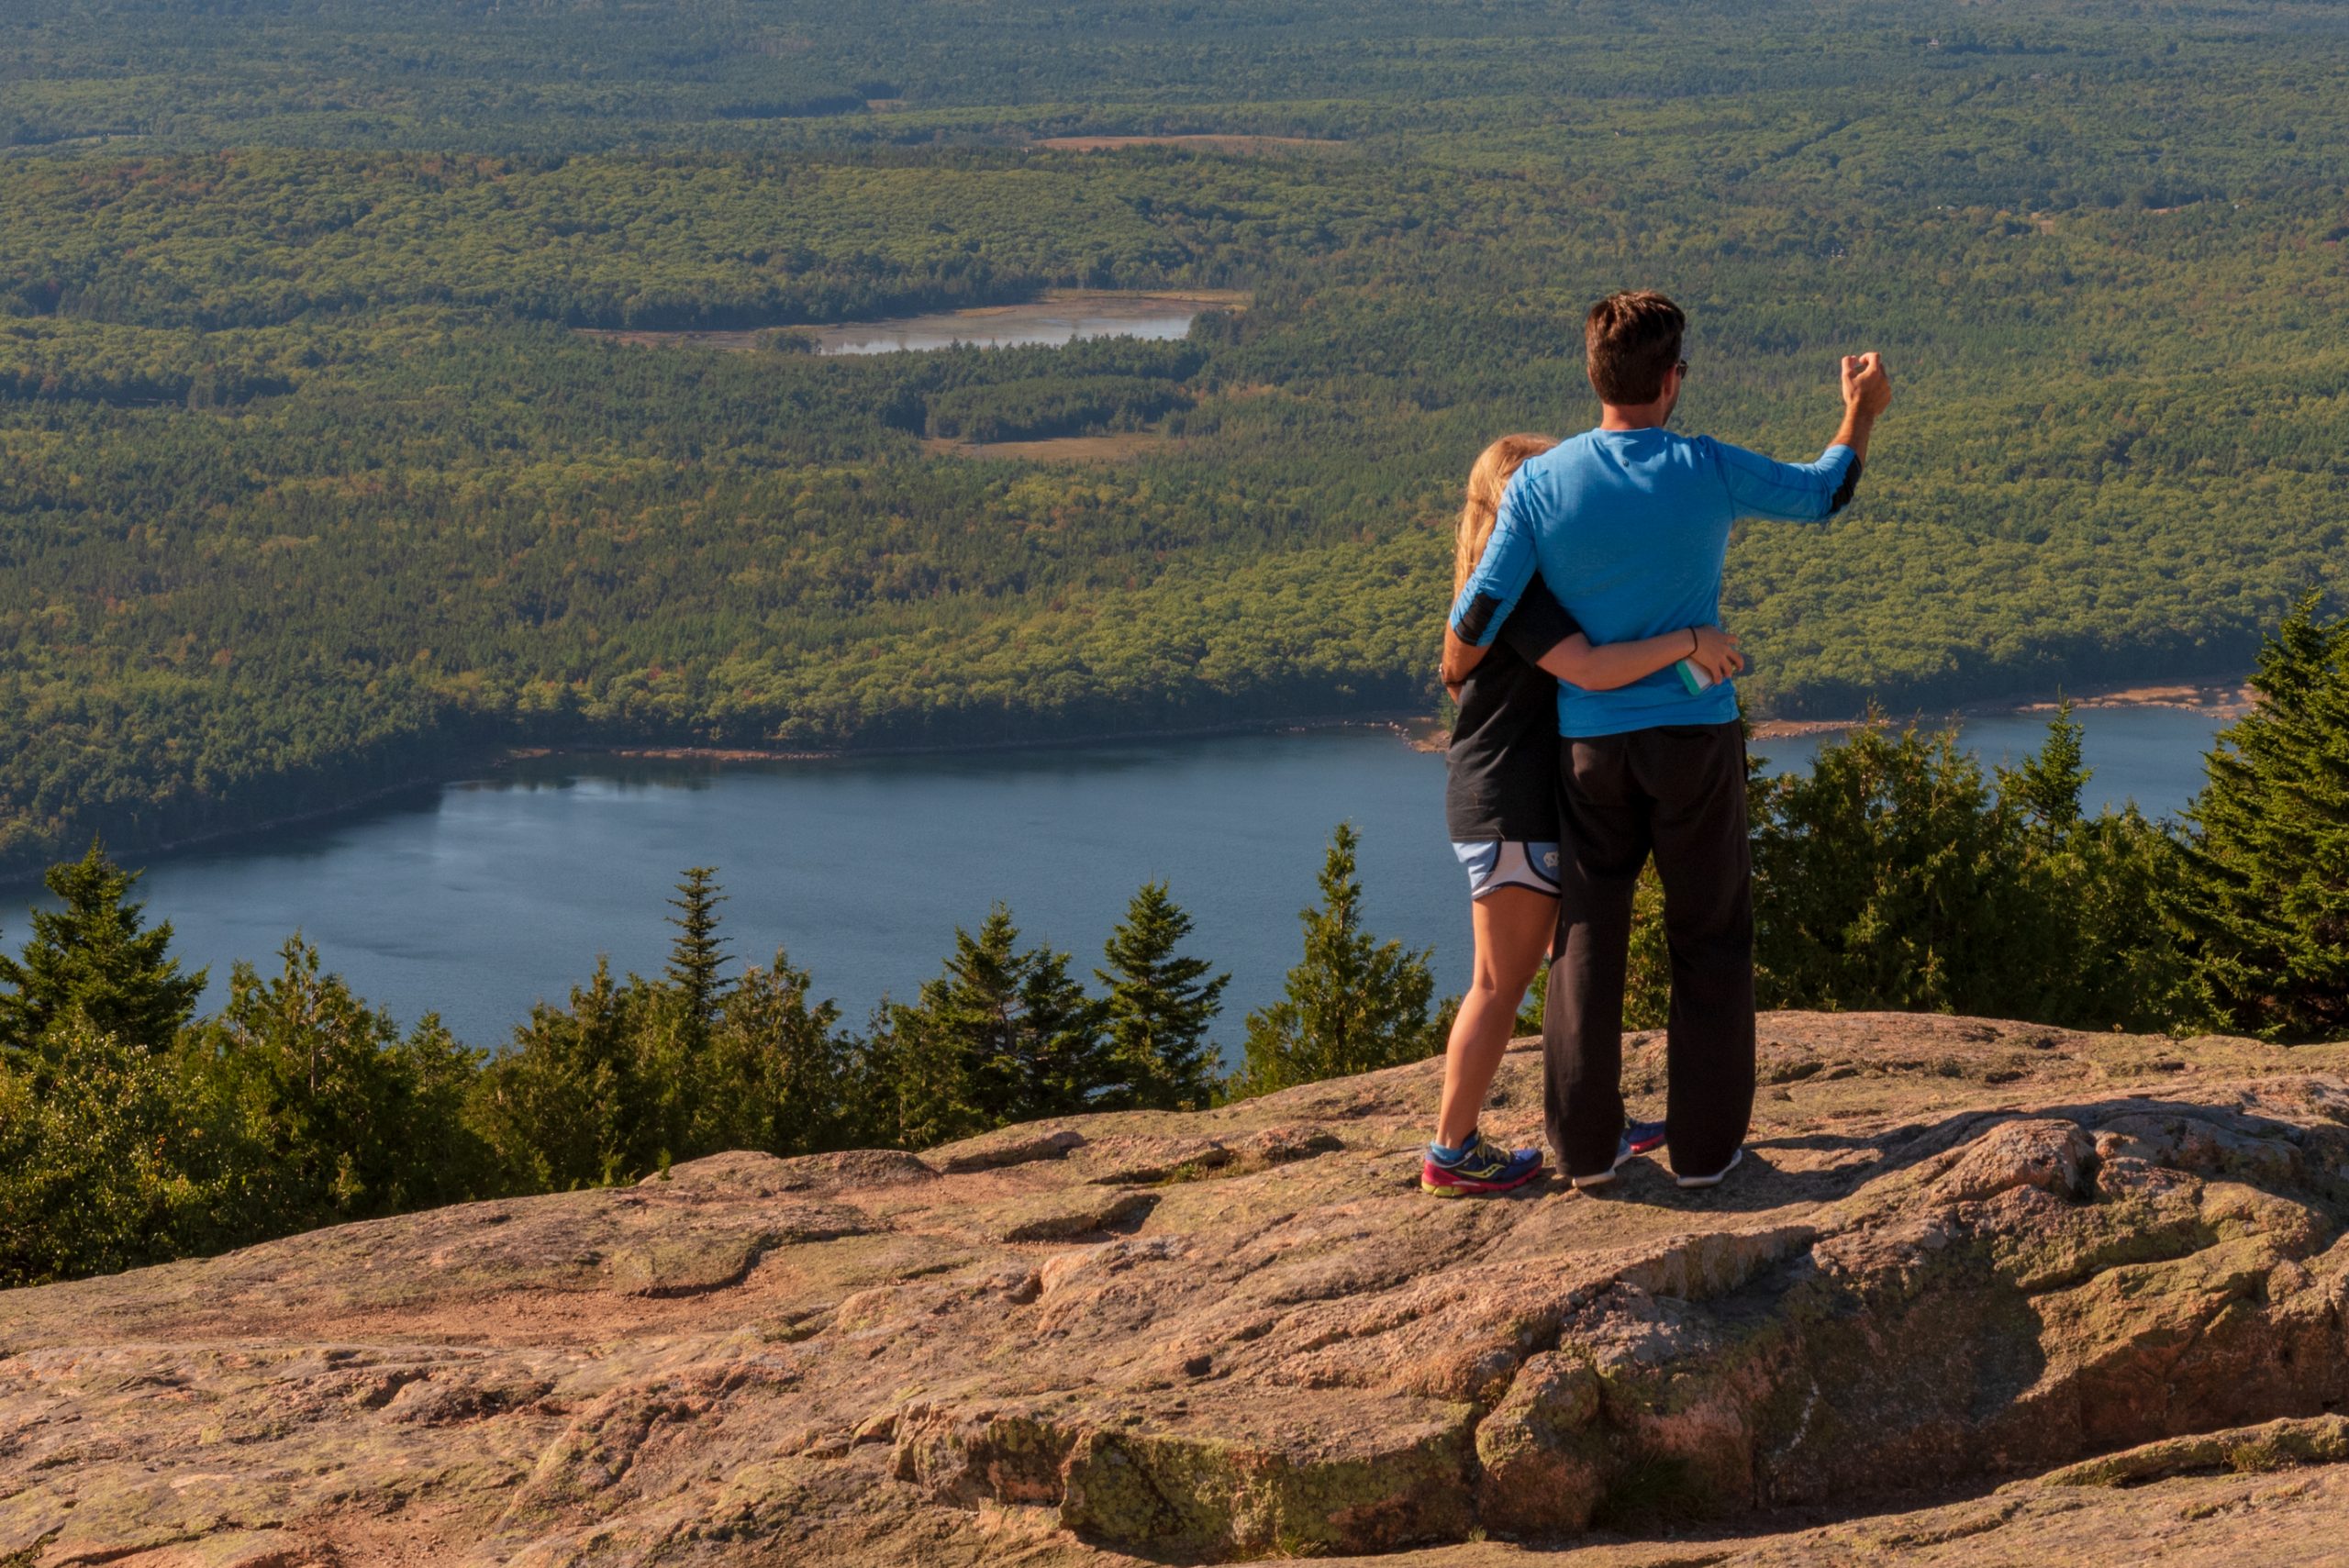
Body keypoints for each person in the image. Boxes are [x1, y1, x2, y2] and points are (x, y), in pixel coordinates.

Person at [1443, 291, 1891, 1192]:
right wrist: (1859, 410)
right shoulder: (1707, 468)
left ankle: (1585, 1149)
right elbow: (1824, 490)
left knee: (1586, 941)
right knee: (1711, 936)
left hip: (1589, 750)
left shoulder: (1539, 482)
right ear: (1671, 377)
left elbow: (1475, 616)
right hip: (1692, 736)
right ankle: (1703, 1150)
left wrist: (1468, 660)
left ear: (1593, 375)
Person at [1423, 432, 1746, 1197]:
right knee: (1501, 983)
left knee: (1539, 973)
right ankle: (1450, 1148)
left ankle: (1595, 1120)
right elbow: (1595, 671)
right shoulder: (1525, 599)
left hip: (1506, 802)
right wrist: (1693, 640)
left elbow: (1460, 671)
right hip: (1512, 809)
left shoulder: (1494, 592)